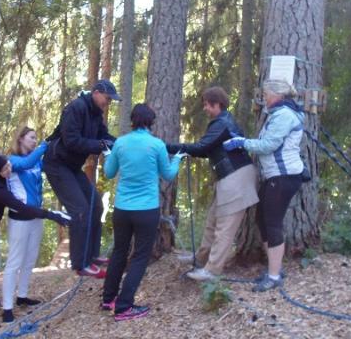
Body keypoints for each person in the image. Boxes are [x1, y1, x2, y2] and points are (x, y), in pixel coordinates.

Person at [0, 153, 71, 331]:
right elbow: (20, 207)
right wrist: (52, 215)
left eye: (8, 165)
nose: (9, 169)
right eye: (5, 168)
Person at [101, 104, 184, 321]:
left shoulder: (120, 143)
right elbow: (167, 174)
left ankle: (108, 299)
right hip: (146, 209)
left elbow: (109, 173)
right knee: (139, 256)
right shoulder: (156, 145)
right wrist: (177, 159)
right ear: (150, 122)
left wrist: (108, 156)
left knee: (119, 252)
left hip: (122, 209)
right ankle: (124, 307)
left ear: (132, 121)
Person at [167, 86, 259, 281]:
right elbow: (203, 150)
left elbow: (201, 147)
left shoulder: (222, 123)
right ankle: (201, 258)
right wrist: (179, 150)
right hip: (229, 178)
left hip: (236, 178)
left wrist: (166, 147)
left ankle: (212, 270)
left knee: (224, 227)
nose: (205, 109)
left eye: (207, 105)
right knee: (212, 221)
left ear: (217, 104)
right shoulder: (223, 122)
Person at [223, 79, 304, 292]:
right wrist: (244, 140)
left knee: (272, 223)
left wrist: (242, 142)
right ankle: (273, 268)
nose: (265, 98)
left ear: (278, 95)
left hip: (284, 176)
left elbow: (269, 146)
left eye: (267, 94)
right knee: (262, 220)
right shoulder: (279, 114)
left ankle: (274, 276)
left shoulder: (284, 115)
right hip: (275, 176)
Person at [43, 79, 120, 278]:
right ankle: (80, 264)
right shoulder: (76, 108)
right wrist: (100, 146)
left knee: (95, 206)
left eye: (110, 100)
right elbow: (72, 141)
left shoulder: (96, 115)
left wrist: (120, 144)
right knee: (80, 210)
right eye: (107, 98)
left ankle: (92, 255)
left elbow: (104, 136)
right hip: (57, 164)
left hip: (72, 167)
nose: (108, 103)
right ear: (96, 92)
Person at [1, 127, 50, 323]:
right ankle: (7, 308)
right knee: (14, 262)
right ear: (20, 139)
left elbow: (48, 164)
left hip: (36, 216)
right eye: (31, 138)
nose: (35, 141)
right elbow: (27, 162)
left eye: (36, 138)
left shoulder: (37, 160)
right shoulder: (12, 160)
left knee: (30, 260)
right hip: (19, 217)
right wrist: (44, 146)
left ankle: (22, 296)